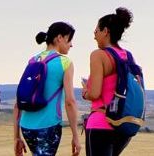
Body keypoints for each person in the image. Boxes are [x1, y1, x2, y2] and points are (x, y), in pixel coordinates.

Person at [13, 21, 80, 156]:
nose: (71, 44)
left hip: (26, 126)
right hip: (48, 126)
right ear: (59, 38)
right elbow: (70, 102)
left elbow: (18, 101)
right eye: (69, 39)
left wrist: (16, 137)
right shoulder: (65, 62)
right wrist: (75, 136)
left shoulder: (33, 60)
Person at [81, 8, 137, 156]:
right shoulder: (128, 56)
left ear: (105, 31)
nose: (94, 36)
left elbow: (95, 93)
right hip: (123, 126)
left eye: (96, 31)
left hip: (101, 123)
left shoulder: (98, 55)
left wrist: (85, 93)